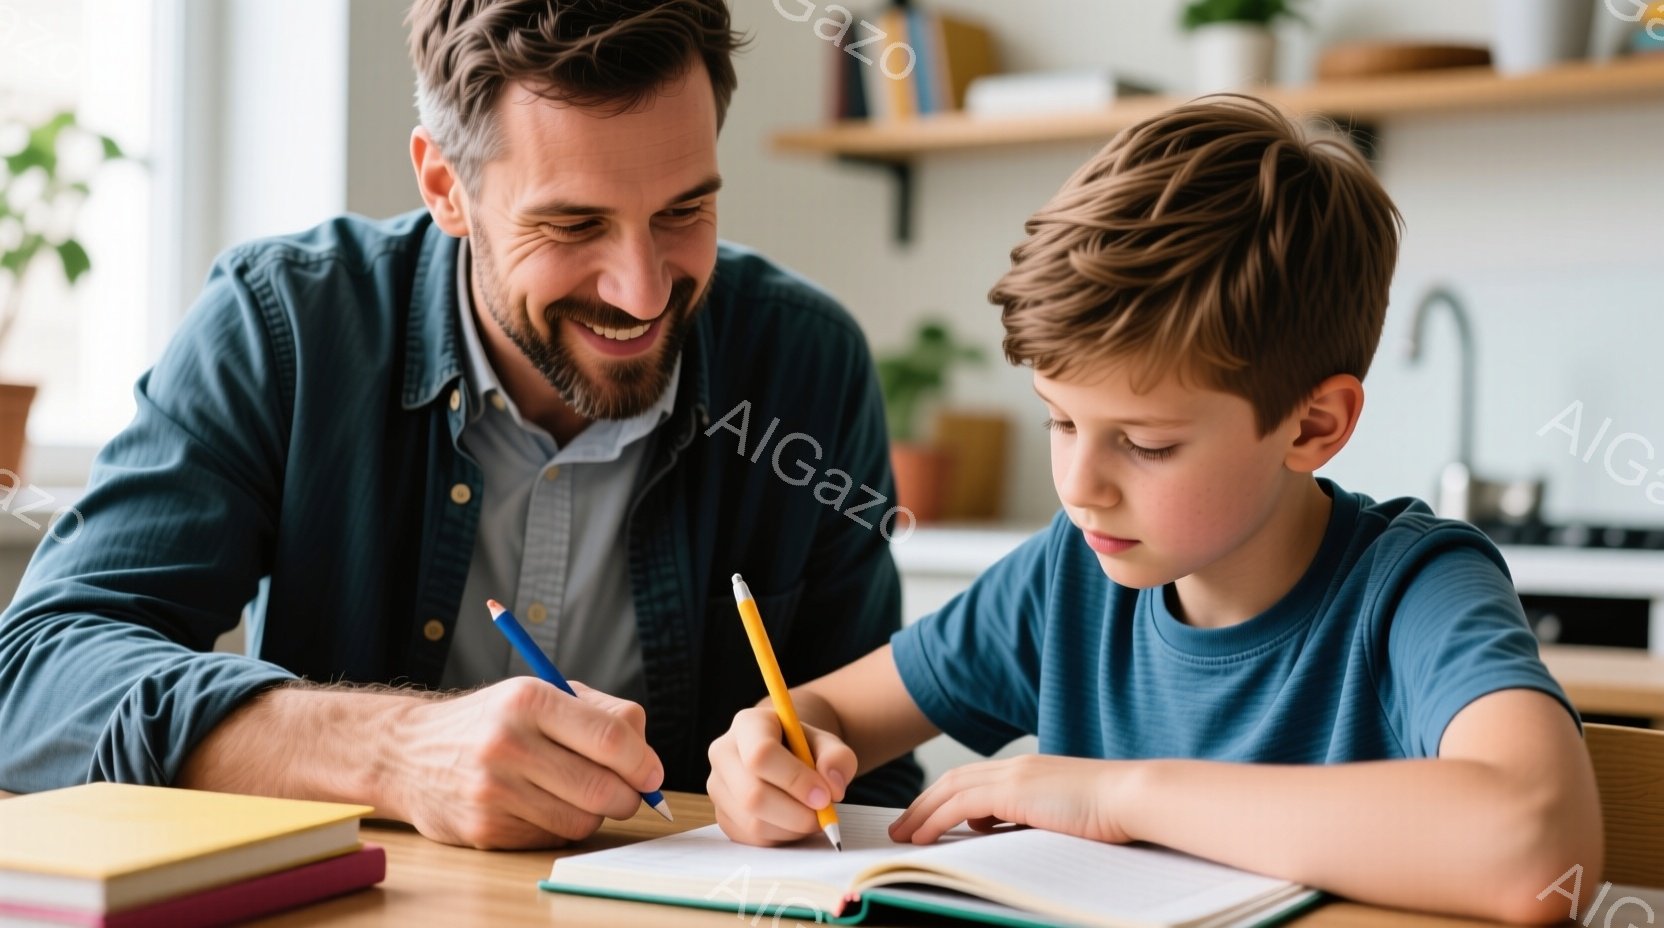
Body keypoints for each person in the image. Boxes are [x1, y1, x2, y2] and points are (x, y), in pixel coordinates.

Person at [0, 0, 921, 849]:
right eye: (572, 225)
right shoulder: (285, 327)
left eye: (685, 211)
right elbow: (37, 680)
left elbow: (871, 767)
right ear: (446, 186)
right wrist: (393, 751)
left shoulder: (806, 362)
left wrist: (808, 776)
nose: (641, 292)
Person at [706, 97, 1600, 925]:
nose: (1079, 485)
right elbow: (833, 712)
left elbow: (1536, 846)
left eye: (1147, 443)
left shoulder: (1413, 589)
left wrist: (1113, 798)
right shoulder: (1072, 574)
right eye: (1059, 420)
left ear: (1313, 426)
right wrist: (772, 751)